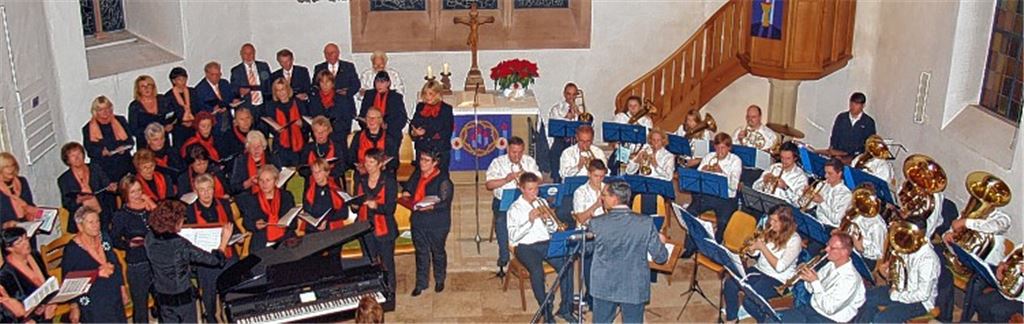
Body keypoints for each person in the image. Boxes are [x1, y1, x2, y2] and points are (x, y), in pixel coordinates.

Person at [590, 180, 668, 323]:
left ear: (614, 199)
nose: (602, 198)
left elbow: (588, 250)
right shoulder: (646, 223)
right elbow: (661, 257)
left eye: (604, 195)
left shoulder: (596, 223)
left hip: (604, 285)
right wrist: (661, 242)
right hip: (634, 285)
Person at [146, 200, 231, 323]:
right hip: (182, 297)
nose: (183, 222)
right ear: (174, 223)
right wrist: (223, 242)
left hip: (162, 294)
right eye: (181, 220)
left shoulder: (149, 237)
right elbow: (214, 260)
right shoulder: (180, 244)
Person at [506, 172, 575, 322]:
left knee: (567, 265)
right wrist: (530, 220)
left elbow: (551, 229)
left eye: (536, 189)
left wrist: (548, 221)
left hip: (545, 243)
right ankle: (546, 309)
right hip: (525, 246)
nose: (534, 193)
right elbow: (513, 236)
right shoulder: (514, 209)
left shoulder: (541, 202)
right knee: (537, 272)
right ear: (522, 189)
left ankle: (566, 308)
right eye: (530, 189)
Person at [723, 205, 801, 323]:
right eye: (771, 219)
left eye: (776, 221)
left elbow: (780, 267)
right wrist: (753, 249)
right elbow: (756, 255)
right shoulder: (769, 230)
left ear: (785, 223)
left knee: (750, 299)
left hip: (779, 280)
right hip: (760, 270)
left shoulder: (795, 240)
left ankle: (765, 320)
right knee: (730, 283)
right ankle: (732, 318)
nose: (771, 223)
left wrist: (762, 247)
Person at [857, 222, 939, 323]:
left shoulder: (928, 259)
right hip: (899, 290)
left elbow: (923, 294)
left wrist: (897, 295)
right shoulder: (907, 246)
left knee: (883, 318)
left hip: (919, 302)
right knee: (865, 297)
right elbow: (899, 274)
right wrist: (888, 274)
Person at [778, 232, 866, 323]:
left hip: (827, 319)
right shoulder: (831, 264)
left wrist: (814, 281)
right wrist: (806, 276)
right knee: (774, 320)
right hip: (812, 307)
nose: (826, 249)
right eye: (827, 245)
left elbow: (829, 308)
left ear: (844, 252)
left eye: (832, 248)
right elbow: (812, 289)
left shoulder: (850, 279)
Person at [484, 136, 540, 277]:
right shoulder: (497, 163)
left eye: (520, 152)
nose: (517, 156)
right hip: (504, 200)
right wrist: (506, 179)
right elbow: (489, 185)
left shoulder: (528, 161)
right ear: (508, 149)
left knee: (538, 219)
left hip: (526, 201)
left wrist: (527, 178)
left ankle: (531, 254)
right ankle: (504, 257)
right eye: (514, 152)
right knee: (501, 221)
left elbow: (540, 179)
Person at [184, 174, 236, 323]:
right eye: (202, 190)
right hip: (205, 257)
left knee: (235, 278)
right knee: (209, 290)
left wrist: (234, 237)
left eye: (209, 189)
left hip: (226, 251)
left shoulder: (224, 204)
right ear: (196, 191)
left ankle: (232, 313)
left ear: (214, 189)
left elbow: (233, 227)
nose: (206, 193)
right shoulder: (189, 210)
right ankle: (211, 317)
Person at [62, 207, 128, 323]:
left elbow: (116, 264)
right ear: (80, 226)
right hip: (92, 297)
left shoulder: (104, 238)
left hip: (113, 293)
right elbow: (69, 279)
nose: (95, 225)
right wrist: (74, 306)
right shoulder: (73, 249)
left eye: (97, 221)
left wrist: (122, 289)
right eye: (91, 222)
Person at [401, 150, 453, 296]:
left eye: (426, 160)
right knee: (421, 252)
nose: (422, 163)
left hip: (437, 222)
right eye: (421, 159)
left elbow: (445, 202)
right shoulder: (417, 174)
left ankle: (439, 279)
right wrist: (406, 194)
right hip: (419, 219)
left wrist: (431, 206)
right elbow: (408, 188)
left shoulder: (442, 179)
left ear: (435, 163)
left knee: (437, 251)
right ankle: (421, 283)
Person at [352, 149, 399, 295]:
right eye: (366, 162)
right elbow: (356, 204)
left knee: (387, 262)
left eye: (371, 162)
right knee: (370, 261)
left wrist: (376, 206)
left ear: (379, 164)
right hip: (365, 227)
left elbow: (391, 208)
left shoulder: (389, 180)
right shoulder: (361, 179)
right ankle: (372, 289)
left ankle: (390, 290)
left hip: (384, 228)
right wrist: (354, 206)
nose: (367, 165)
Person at [110, 176, 155, 324]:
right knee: (141, 306)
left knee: (163, 300)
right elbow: (114, 240)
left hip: (156, 259)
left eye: (139, 190)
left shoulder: (149, 207)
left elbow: (164, 222)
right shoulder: (121, 215)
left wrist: (150, 202)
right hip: (137, 262)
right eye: (133, 192)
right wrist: (129, 244)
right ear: (125, 194)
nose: (137, 195)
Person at [686, 133, 743, 244]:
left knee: (723, 221)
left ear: (729, 148)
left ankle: (715, 244)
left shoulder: (736, 161)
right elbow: (697, 180)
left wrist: (722, 172)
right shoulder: (709, 156)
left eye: (723, 148)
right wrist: (703, 171)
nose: (719, 152)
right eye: (717, 148)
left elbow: (734, 186)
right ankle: (690, 245)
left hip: (726, 198)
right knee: (690, 213)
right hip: (708, 194)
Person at [58, 142, 117, 233]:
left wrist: (111, 187)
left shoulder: (95, 168)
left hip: (102, 214)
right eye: (73, 156)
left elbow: (107, 185)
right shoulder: (64, 179)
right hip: (81, 219)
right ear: (67, 160)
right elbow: (67, 203)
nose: (77, 158)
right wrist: (79, 200)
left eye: (79, 154)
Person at [237, 164, 296, 252]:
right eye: (261, 180)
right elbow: (246, 223)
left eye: (268, 180)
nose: (264, 184)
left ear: (276, 181)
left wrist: (286, 224)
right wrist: (255, 225)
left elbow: (294, 222)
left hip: (285, 239)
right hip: (261, 242)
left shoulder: (286, 196)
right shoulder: (251, 199)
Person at [0, 227, 55, 322]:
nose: (26, 243)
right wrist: (37, 309)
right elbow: (16, 302)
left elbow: (46, 279)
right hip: (28, 316)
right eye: (19, 243)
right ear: (10, 249)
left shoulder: (34, 255)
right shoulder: (6, 273)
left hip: (45, 303)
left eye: (26, 238)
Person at [960, 246, 1023, 322]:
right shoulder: (1021, 248)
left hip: (1021, 300)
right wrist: (1002, 267)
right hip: (1009, 292)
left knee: (997, 311)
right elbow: (1007, 262)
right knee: (980, 300)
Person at [82, 95, 134, 182]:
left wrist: (123, 148)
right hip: (103, 167)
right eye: (101, 110)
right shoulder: (88, 128)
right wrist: (102, 152)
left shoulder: (120, 120)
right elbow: (90, 150)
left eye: (107, 108)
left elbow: (130, 141)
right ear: (95, 111)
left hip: (123, 163)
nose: (105, 112)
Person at [838, 185, 886, 270]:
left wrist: (861, 249)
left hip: (864, 258)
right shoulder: (855, 211)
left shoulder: (876, 224)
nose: (860, 204)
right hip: (847, 248)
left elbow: (879, 253)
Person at [409, 80, 454, 169]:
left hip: (439, 150)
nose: (427, 96)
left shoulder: (446, 109)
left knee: (440, 179)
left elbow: (446, 131)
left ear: (438, 94)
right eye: (425, 93)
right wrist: (414, 132)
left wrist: (425, 132)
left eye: (431, 93)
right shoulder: (420, 107)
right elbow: (414, 123)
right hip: (422, 149)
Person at [267, 78, 309, 166]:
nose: (281, 93)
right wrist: (275, 129)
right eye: (277, 90)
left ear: (288, 89)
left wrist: (302, 124)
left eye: (283, 89)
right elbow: (269, 126)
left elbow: (307, 123)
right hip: (281, 147)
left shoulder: (298, 103)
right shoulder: (271, 106)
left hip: (299, 145)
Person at [542, 83, 581, 177]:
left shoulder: (580, 110)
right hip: (560, 139)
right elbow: (554, 123)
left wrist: (579, 114)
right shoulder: (556, 109)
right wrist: (566, 117)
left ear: (576, 95)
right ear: (564, 94)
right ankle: (556, 177)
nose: (571, 97)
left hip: (576, 140)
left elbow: (586, 126)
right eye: (568, 94)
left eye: (573, 94)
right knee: (555, 153)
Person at [301, 158, 348, 234]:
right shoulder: (309, 191)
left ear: (327, 172)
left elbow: (344, 213)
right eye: (314, 172)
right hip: (312, 230)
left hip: (332, 230)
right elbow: (307, 210)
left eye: (319, 172)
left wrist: (326, 220)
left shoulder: (336, 190)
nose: (316, 175)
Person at [349, 108, 400, 175]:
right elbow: (350, 158)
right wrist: (359, 167)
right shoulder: (358, 136)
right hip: (363, 173)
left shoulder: (389, 138)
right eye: (368, 118)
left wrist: (381, 167)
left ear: (380, 120)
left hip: (383, 173)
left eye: (374, 118)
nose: (371, 121)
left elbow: (394, 161)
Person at [306, 70, 355, 141]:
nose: (324, 85)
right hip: (319, 138)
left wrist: (330, 127)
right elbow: (311, 119)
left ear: (332, 83)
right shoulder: (314, 100)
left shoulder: (343, 100)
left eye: (327, 82)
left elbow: (347, 122)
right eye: (322, 82)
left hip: (339, 138)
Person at [609, 96, 652, 175]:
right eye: (630, 106)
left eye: (635, 106)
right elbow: (614, 135)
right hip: (622, 149)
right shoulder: (620, 117)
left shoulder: (646, 120)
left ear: (640, 107)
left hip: (639, 151)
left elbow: (648, 139)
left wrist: (640, 153)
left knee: (637, 173)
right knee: (613, 168)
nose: (632, 108)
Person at [359, 71, 407, 141]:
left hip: (390, 134)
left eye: (382, 82)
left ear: (388, 83)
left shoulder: (396, 97)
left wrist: (387, 126)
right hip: (370, 132)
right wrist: (369, 124)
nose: (379, 85)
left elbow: (402, 118)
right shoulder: (369, 95)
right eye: (377, 82)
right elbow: (362, 115)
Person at [127, 75, 172, 148]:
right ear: (138, 90)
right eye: (142, 86)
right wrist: (151, 133)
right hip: (145, 144)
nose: (146, 88)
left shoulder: (162, 100)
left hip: (163, 143)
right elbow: (133, 130)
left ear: (153, 87)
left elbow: (171, 116)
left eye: (149, 85)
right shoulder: (134, 106)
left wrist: (170, 126)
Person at [194, 61, 240, 132]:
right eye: (213, 74)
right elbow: (199, 109)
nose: (216, 77)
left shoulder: (224, 83)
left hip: (228, 120)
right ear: (207, 74)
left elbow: (230, 97)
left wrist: (233, 101)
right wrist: (212, 111)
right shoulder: (200, 89)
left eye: (218, 74)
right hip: (213, 124)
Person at [312, 43, 360, 110]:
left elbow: (356, 84)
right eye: (327, 53)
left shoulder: (348, 67)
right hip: (324, 106)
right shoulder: (319, 68)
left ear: (338, 53)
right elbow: (315, 86)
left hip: (345, 105)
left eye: (332, 53)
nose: (330, 55)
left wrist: (347, 92)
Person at [299, 116, 346, 182]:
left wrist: (325, 173)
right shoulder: (307, 148)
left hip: (331, 183)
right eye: (317, 131)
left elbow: (341, 168)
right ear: (313, 132)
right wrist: (316, 172)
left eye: (323, 131)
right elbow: (301, 170)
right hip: (312, 184)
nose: (320, 134)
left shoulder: (336, 147)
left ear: (329, 131)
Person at [828, 92, 876, 157]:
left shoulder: (868, 122)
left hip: (856, 157)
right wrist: (833, 150)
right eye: (851, 103)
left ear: (863, 105)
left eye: (856, 104)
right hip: (838, 155)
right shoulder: (841, 117)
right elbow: (834, 136)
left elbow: (869, 144)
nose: (853, 107)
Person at [808, 159, 852, 229]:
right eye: (825, 172)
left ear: (839, 173)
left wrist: (821, 202)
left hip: (830, 227)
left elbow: (836, 220)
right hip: (816, 219)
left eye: (830, 173)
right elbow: (809, 206)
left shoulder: (846, 194)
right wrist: (808, 196)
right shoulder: (822, 184)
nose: (826, 176)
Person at [230, 43, 271, 113]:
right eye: (245, 53)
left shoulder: (263, 67)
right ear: (241, 54)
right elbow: (233, 89)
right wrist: (240, 91)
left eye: (251, 53)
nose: (248, 56)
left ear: (254, 53)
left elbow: (269, 84)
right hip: (246, 107)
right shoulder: (236, 71)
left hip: (264, 106)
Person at [0, 153, 39, 228]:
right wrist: (4, 225)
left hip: (27, 226)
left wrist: (36, 217)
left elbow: (29, 204)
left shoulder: (22, 181)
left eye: (13, 165)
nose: (11, 169)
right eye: (6, 167)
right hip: (7, 233)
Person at [165, 67, 197, 147]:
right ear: (173, 81)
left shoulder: (192, 92)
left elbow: (197, 108)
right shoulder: (168, 97)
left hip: (194, 126)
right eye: (179, 79)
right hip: (179, 129)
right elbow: (170, 115)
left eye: (184, 79)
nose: (183, 82)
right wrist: (182, 121)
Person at [572, 159, 607, 225]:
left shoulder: (608, 189)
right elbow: (580, 219)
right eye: (596, 176)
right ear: (589, 174)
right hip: (587, 229)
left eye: (602, 177)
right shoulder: (580, 192)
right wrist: (596, 205)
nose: (599, 180)